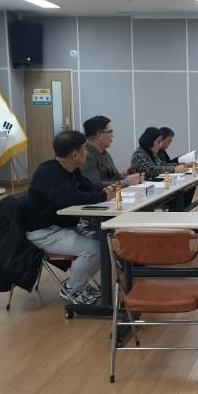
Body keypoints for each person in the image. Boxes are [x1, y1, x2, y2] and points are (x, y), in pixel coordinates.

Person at [25, 130, 117, 305]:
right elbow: (71, 198)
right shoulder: (48, 173)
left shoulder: (72, 170)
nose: (87, 152)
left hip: (65, 227)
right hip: (44, 232)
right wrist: (103, 196)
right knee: (95, 249)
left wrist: (104, 190)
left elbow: (87, 187)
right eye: (84, 149)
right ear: (75, 154)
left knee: (106, 242)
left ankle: (81, 283)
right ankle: (72, 288)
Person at [80, 115, 140, 188]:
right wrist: (125, 182)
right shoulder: (86, 155)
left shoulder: (104, 152)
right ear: (99, 135)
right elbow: (94, 184)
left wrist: (132, 178)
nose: (112, 135)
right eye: (110, 132)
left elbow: (116, 176)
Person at [158, 126, 195, 207]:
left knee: (190, 187)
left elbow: (168, 163)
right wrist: (184, 165)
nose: (170, 143)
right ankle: (180, 211)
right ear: (161, 139)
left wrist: (179, 158)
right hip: (163, 184)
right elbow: (162, 167)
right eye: (169, 141)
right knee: (180, 193)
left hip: (169, 179)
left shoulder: (162, 151)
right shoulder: (156, 152)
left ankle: (183, 210)